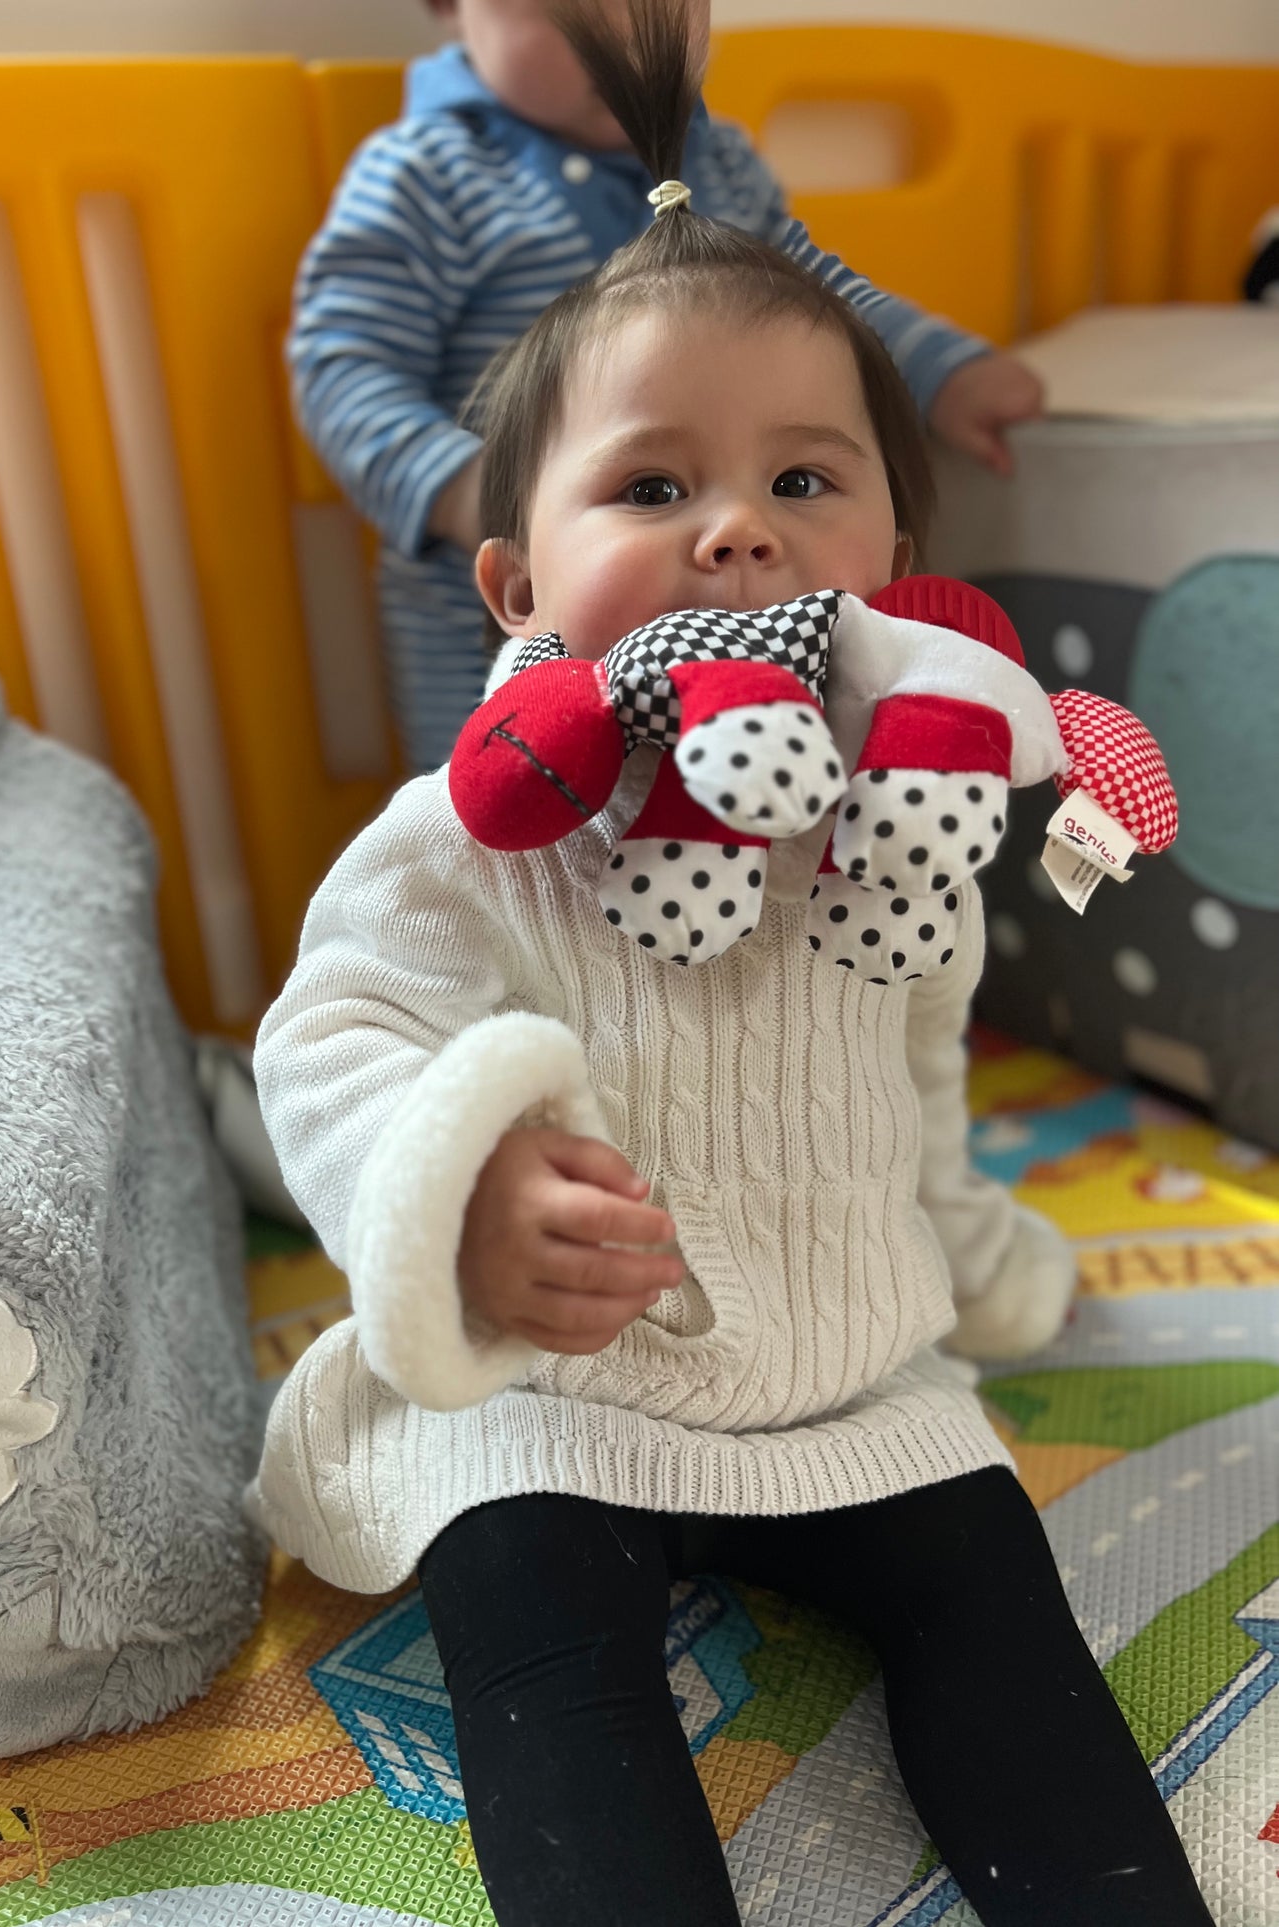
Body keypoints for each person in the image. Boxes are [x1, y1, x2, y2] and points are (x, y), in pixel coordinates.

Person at [251, 8, 1213, 1922]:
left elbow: (919, 1054)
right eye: (649, 489)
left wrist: (965, 1238)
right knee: (531, 1628)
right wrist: (455, 1189)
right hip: (557, 1381)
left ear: (896, 550)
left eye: (804, 484)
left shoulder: (895, 801)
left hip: (845, 1358)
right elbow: (335, 1029)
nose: (733, 534)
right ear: (516, 581)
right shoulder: (473, 822)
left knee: (1000, 1608)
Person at [292, 0, 1044, 771]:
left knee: (750, 813)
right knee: (508, 834)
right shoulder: (427, 177)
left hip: (744, 610)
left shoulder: (716, 165)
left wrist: (942, 369)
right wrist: (459, 486)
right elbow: (344, 369)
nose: (622, 35)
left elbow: (820, 303)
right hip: (489, 639)